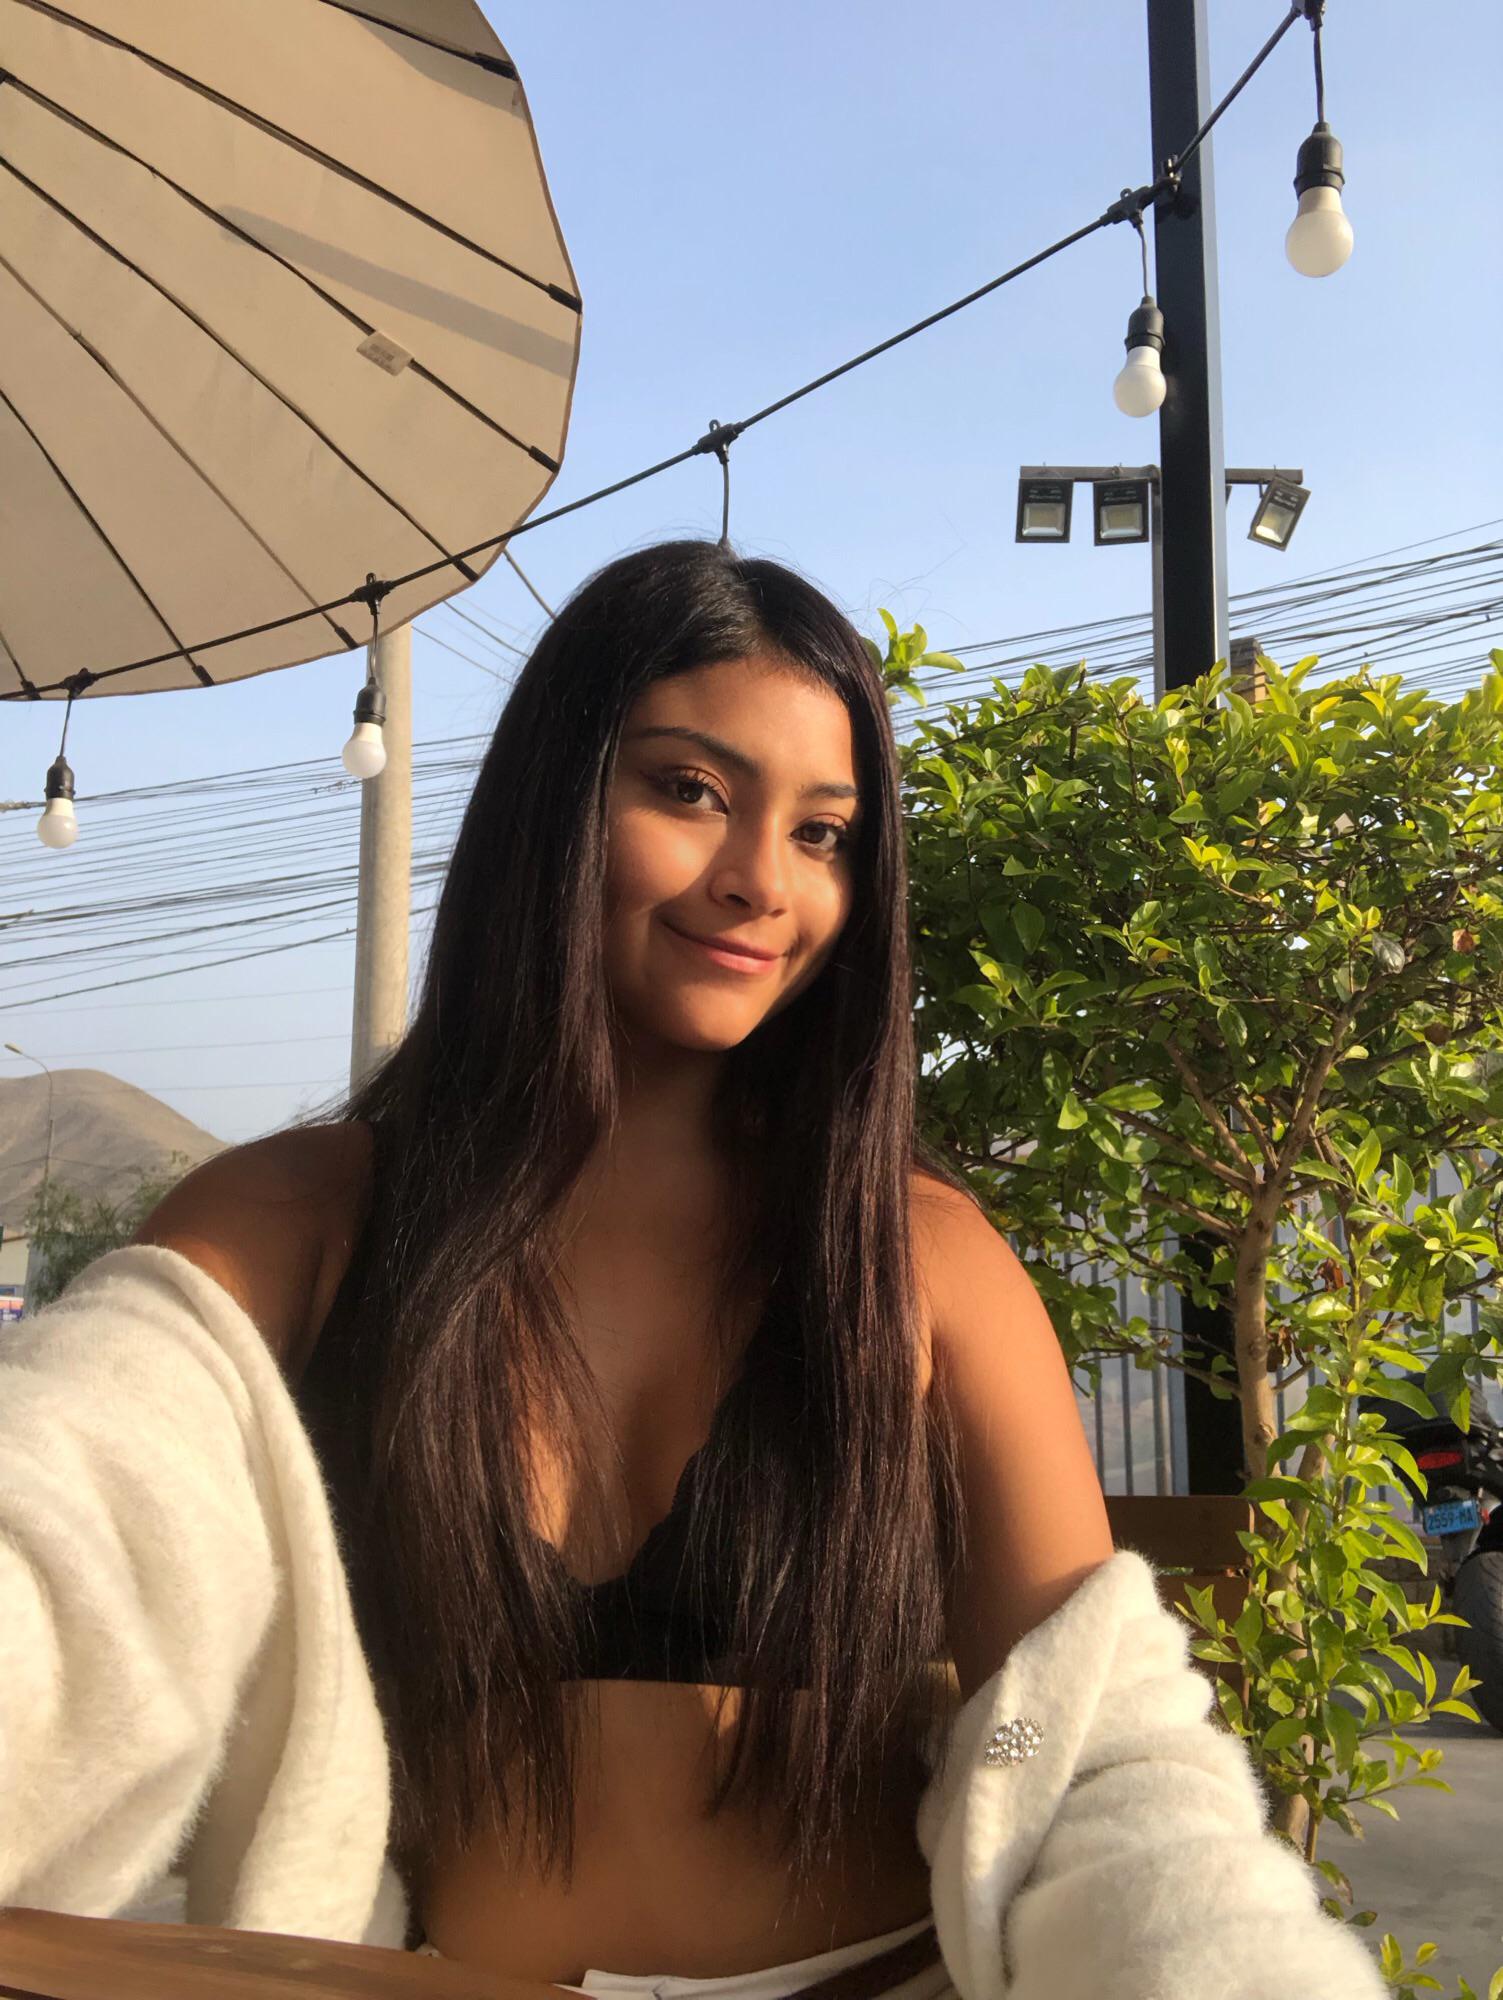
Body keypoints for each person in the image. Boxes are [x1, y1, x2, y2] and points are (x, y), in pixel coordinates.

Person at [8, 539, 1386, 2000]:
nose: (761, 884)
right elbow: (72, 1525)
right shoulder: (299, 1220)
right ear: (553, 802)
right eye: (690, 791)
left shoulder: (917, 1257)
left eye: (824, 832)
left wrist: (1194, 1942)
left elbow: (1083, 1733)